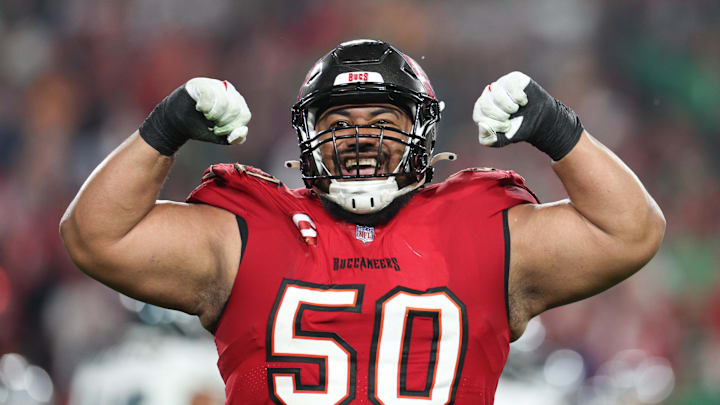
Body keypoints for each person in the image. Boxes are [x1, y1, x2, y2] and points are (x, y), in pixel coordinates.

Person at [60, 39, 665, 404]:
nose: (360, 139)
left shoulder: (481, 225)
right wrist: (163, 128)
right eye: (340, 122)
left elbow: (630, 232)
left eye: (385, 121)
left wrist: (557, 127)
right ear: (306, 136)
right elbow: (95, 237)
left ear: (423, 134)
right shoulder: (248, 229)